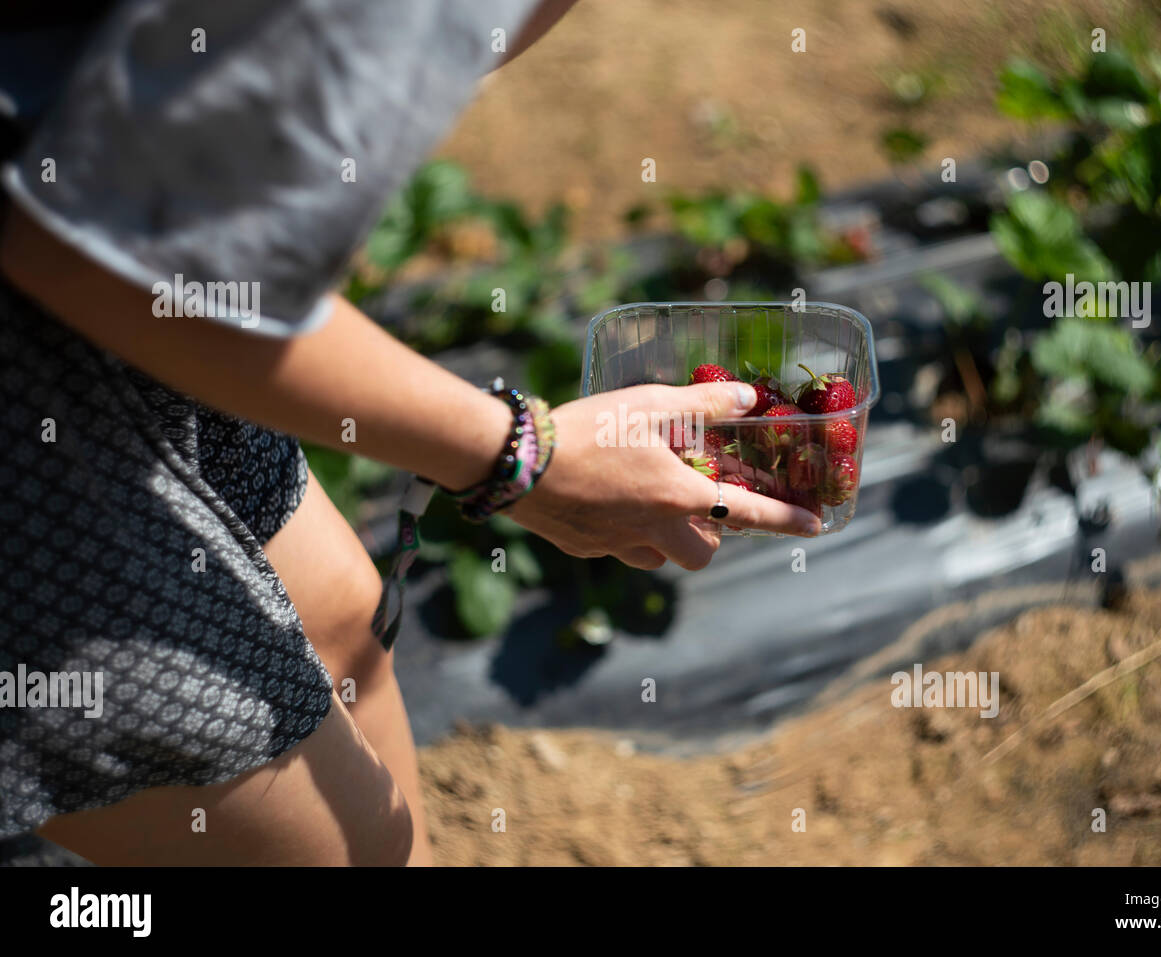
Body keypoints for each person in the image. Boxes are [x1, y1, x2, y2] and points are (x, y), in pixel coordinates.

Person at [0, 0, 821, 864]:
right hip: (44, 369)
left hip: (99, 224)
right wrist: (523, 457)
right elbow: (112, 262)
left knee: (349, 631)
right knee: (345, 848)